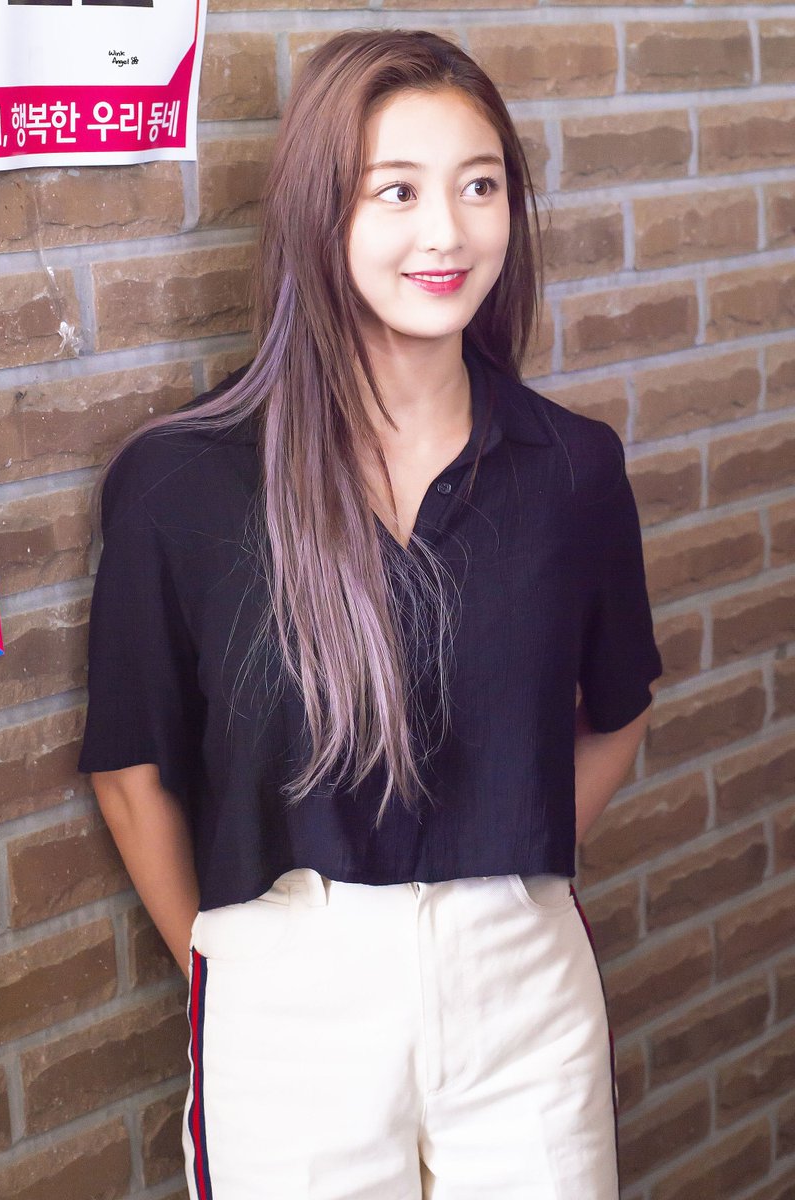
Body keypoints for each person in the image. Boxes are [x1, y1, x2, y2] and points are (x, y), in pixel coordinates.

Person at [78, 28, 663, 1200]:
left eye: (478, 186)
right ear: (317, 212)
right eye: (395, 191)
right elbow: (132, 771)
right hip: (286, 992)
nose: (446, 232)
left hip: (523, 990)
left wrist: (503, 859)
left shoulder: (572, 467)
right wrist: (230, 964)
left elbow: (617, 708)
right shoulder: (181, 481)